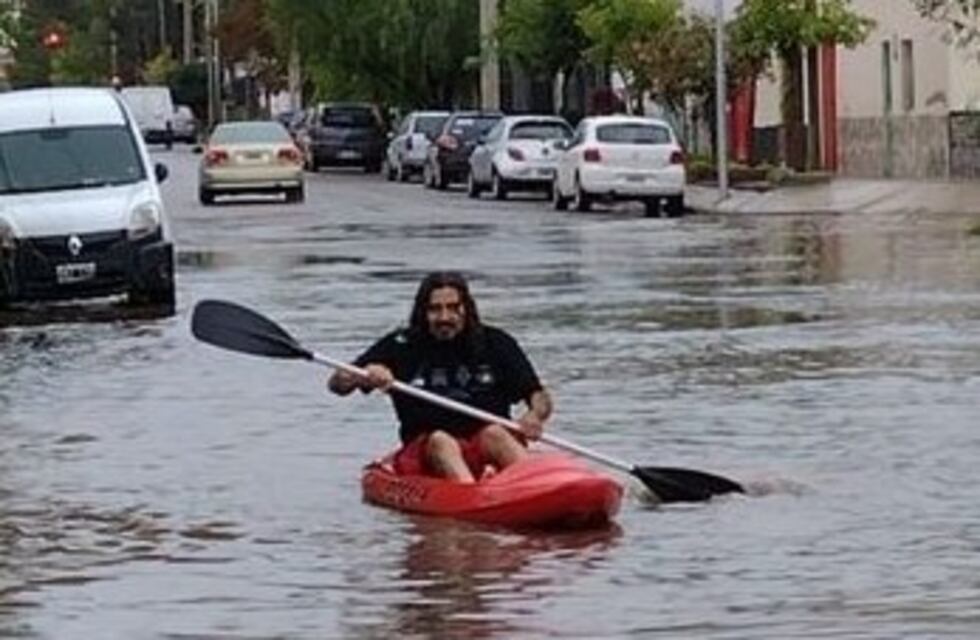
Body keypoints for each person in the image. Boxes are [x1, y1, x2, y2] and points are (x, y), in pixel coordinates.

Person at [328, 271, 552, 483]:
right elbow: (337, 384)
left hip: (485, 444)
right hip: (427, 451)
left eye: (453, 308)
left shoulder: (496, 342)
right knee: (441, 440)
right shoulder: (401, 345)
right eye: (435, 309)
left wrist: (535, 416)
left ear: (467, 308)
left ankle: (540, 485)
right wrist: (366, 373)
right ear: (423, 312)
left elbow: (538, 394)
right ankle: (470, 497)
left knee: (496, 433)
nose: (445, 317)